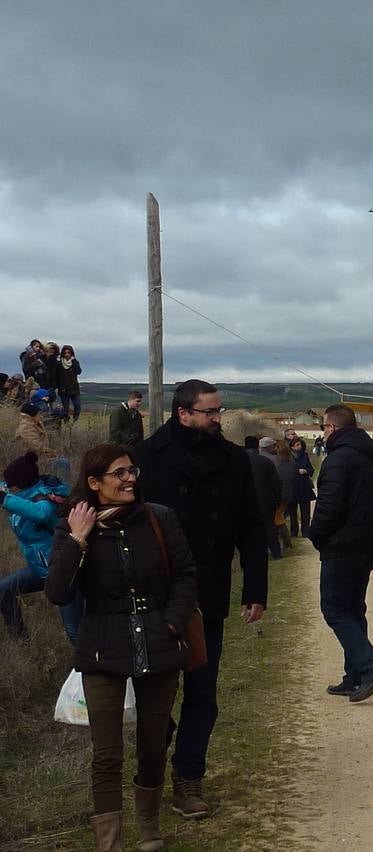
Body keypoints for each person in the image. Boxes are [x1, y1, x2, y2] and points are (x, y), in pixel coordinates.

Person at [45, 443, 198, 851]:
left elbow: (185, 574)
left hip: (158, 642)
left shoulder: (159, 519)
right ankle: (109, 844)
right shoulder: (72, 526)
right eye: (120, 474)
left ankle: (149, 828)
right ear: (94, 483)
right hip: (102, 649)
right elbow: (58, 592)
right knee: (107, 754)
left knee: (152, 745)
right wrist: (79, 539)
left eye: (132, 471)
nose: (130, 479)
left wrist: (171, 621)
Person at [135, 379, 267, 819]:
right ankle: (150, 776)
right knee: (154, 695)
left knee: (203, 691)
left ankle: (188, 779)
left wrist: (255, 589)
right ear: (183, 413)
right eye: (210, 412)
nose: (218, 419)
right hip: (152, 595)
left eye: (219, 411)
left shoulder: (233, 460)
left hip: (207, 592)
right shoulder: (143, 458)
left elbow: (251, 524)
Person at [308, 404, 373, 703]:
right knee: (354, 610)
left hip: (342, 546)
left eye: (324, 428)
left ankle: (370, 668)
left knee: (336, 610)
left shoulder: (337, 460)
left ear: (331, 428)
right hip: (367, 544)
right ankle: (354, 675)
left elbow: (329, 507)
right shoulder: (370, 457)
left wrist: (313, 534)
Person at [0, 451, 81, 642]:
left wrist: (5, 499)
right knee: (4, 590)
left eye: (11, 487)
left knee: (74, 630)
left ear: (19, 485)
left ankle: (92, 665)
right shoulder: (25, 495)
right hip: (42, 568)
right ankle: (21, 643)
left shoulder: (45, 497)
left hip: (65, 571)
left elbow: (41, 514)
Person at [245, 437, 284, 560]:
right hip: (266, 501)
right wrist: (277, 500)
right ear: (258, 446)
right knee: (270, 528)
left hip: (245, 502)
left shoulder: (237, 462)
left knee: (248, 530)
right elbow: (276, 484)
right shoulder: (265, 462)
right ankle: (276, 553)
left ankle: (253, 554)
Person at [258, 437, 295, 553]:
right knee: (278, 517)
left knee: (276, 519)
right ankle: (284, 544)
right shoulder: (289, 460)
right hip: (287, 493)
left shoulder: (270, 460)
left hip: (277, 495)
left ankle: (282, 545)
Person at [287, 436, 316, 537]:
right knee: (292, 512)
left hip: (304, 486)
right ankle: (294, 531)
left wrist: (306, 471)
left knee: (305, 512)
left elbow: (311, 469)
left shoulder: (305, 455)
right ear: (292, 447)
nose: (299, 447)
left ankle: (306, 531)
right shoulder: (288, 457)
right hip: (292, 487)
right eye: (297, 445)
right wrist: (295, 472)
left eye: (300, 444)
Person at [58, 345, 83, 422]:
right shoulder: (59, 364)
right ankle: (66, 422)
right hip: (63, 389)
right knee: (65, 408)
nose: (67, 354)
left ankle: (75, 421)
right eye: (65, 353)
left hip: (74, 388)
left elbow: (79, 371)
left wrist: (74, 361)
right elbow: (56, 376)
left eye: (69, 352)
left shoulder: (75, 362)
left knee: (77, 406)